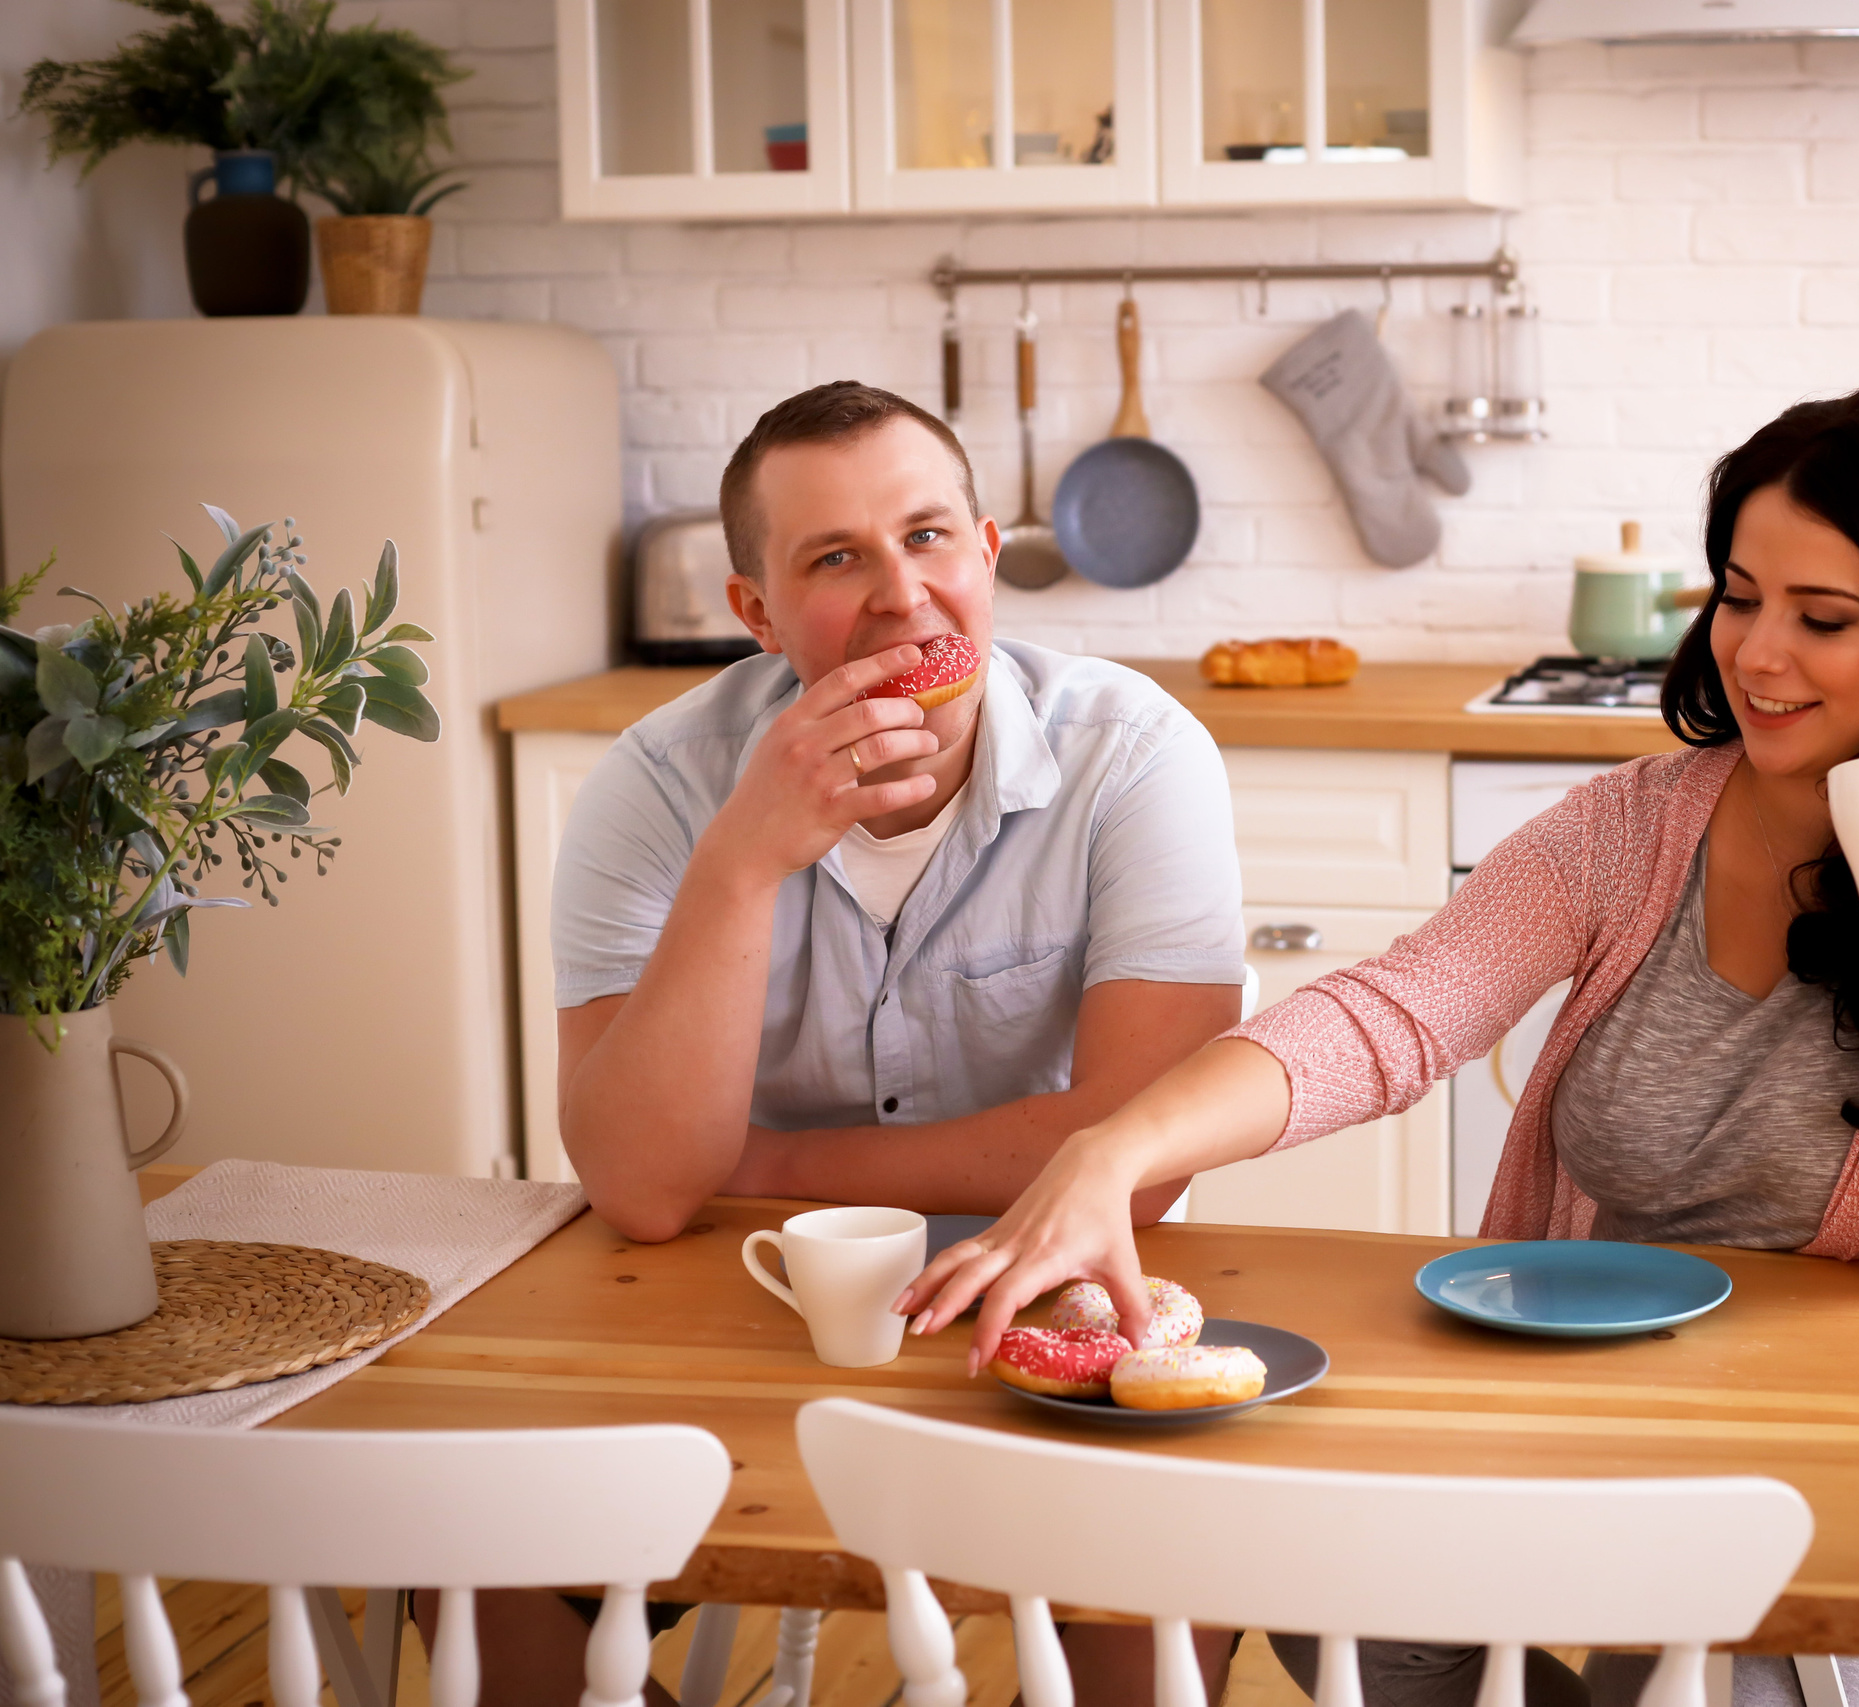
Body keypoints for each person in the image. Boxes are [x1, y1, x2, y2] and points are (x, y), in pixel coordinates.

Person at [896, 381, 1859, 1707]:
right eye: (1737, 597)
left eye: (1822, 619)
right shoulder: (1629, 828)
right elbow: (1395, 1013)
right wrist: (1116, 1146)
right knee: (1318, 1583)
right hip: (1624, 1405)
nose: (1757, 655)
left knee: (1675, 1681)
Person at [418, 381, 1250, 1707]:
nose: (901, 597)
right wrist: (744, 861)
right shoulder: (654, 786)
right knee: (478, 1541)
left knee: (1168, 1566)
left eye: (927, 538)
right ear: (753, 612)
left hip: (1052, 1294)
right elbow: (641, 1187)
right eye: (834, 559)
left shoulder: (1138, 759)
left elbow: (1131, 1162)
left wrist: (774, 1169)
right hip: (732, 1308)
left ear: (986, 549)